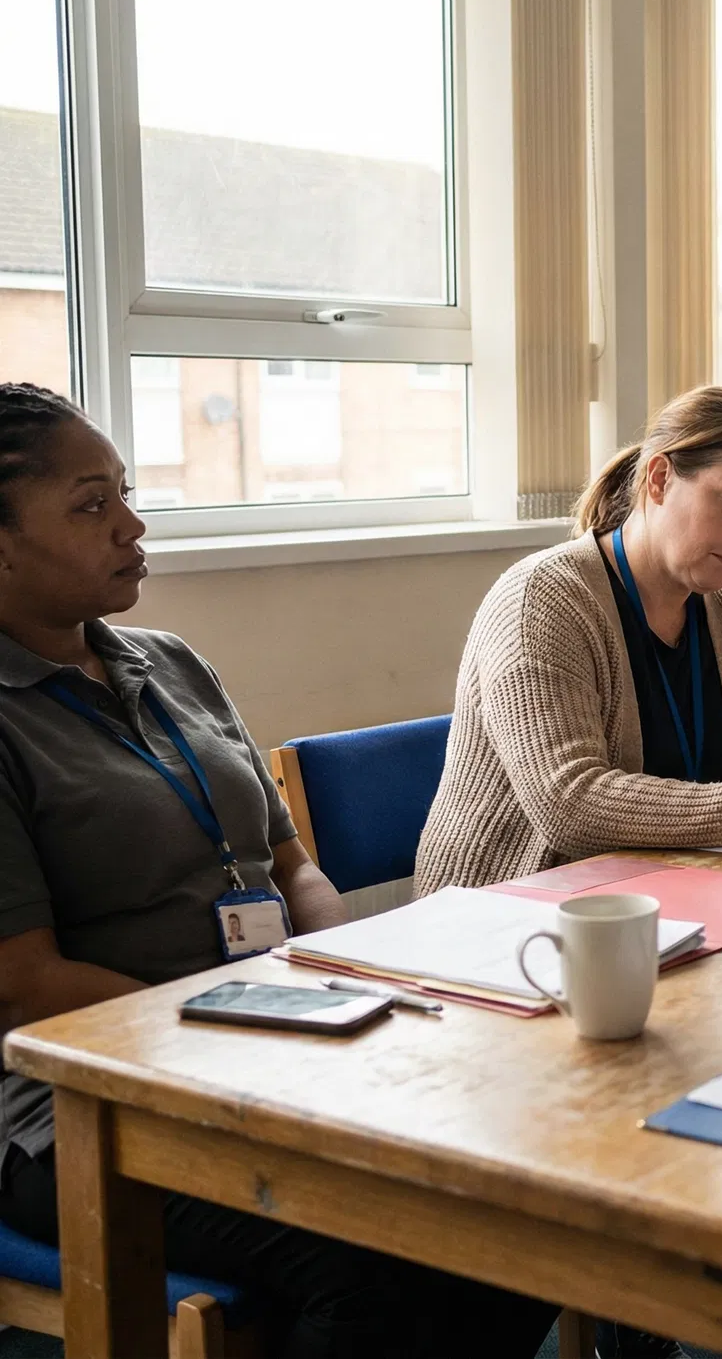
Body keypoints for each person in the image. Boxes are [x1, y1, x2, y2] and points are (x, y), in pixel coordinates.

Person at [0, 383, 556, 1359]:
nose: (131, 525)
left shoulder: (170, 660)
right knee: (376, 1260)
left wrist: (343, 965)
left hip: (275, 1038)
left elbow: (289, 859)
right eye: (91, 505)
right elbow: (24, 983)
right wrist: (236, 1020)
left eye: (126, 493)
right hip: (85, 1110)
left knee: (515, 1193)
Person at [415, 386, 722, 893]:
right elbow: (569, 804)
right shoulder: (543, 599)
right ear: (659, 479)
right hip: (512, 917)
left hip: (680, 900)